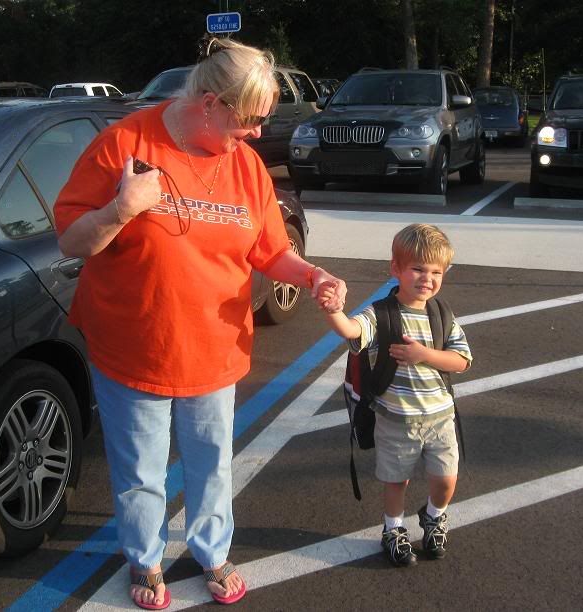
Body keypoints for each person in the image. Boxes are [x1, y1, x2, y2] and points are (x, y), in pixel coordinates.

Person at [54, 37, 346, 609]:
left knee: (211, 464)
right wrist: (122, 208)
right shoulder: (127, 144)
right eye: (250, 119)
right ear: (209, 102)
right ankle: (146, 560)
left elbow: (269, 250)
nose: (259, 133)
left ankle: (213, 551)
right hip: (135, 346)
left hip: (214, 350)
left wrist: (311, 275)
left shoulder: (245, 165)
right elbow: (71, 240)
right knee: (141, 471)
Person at [317, 223, 472, 567]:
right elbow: (353, 331)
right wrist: (333, 311)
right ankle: (393, 528)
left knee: (446, 479)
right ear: (396, 269)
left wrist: (425, 355)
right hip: (396, 419)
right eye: (417, 268)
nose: (426, 278)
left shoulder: (442, 316)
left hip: (440, 418)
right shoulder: (382, 313)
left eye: (435, 271)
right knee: (395, 480)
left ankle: (434, 515)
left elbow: (461, 361)